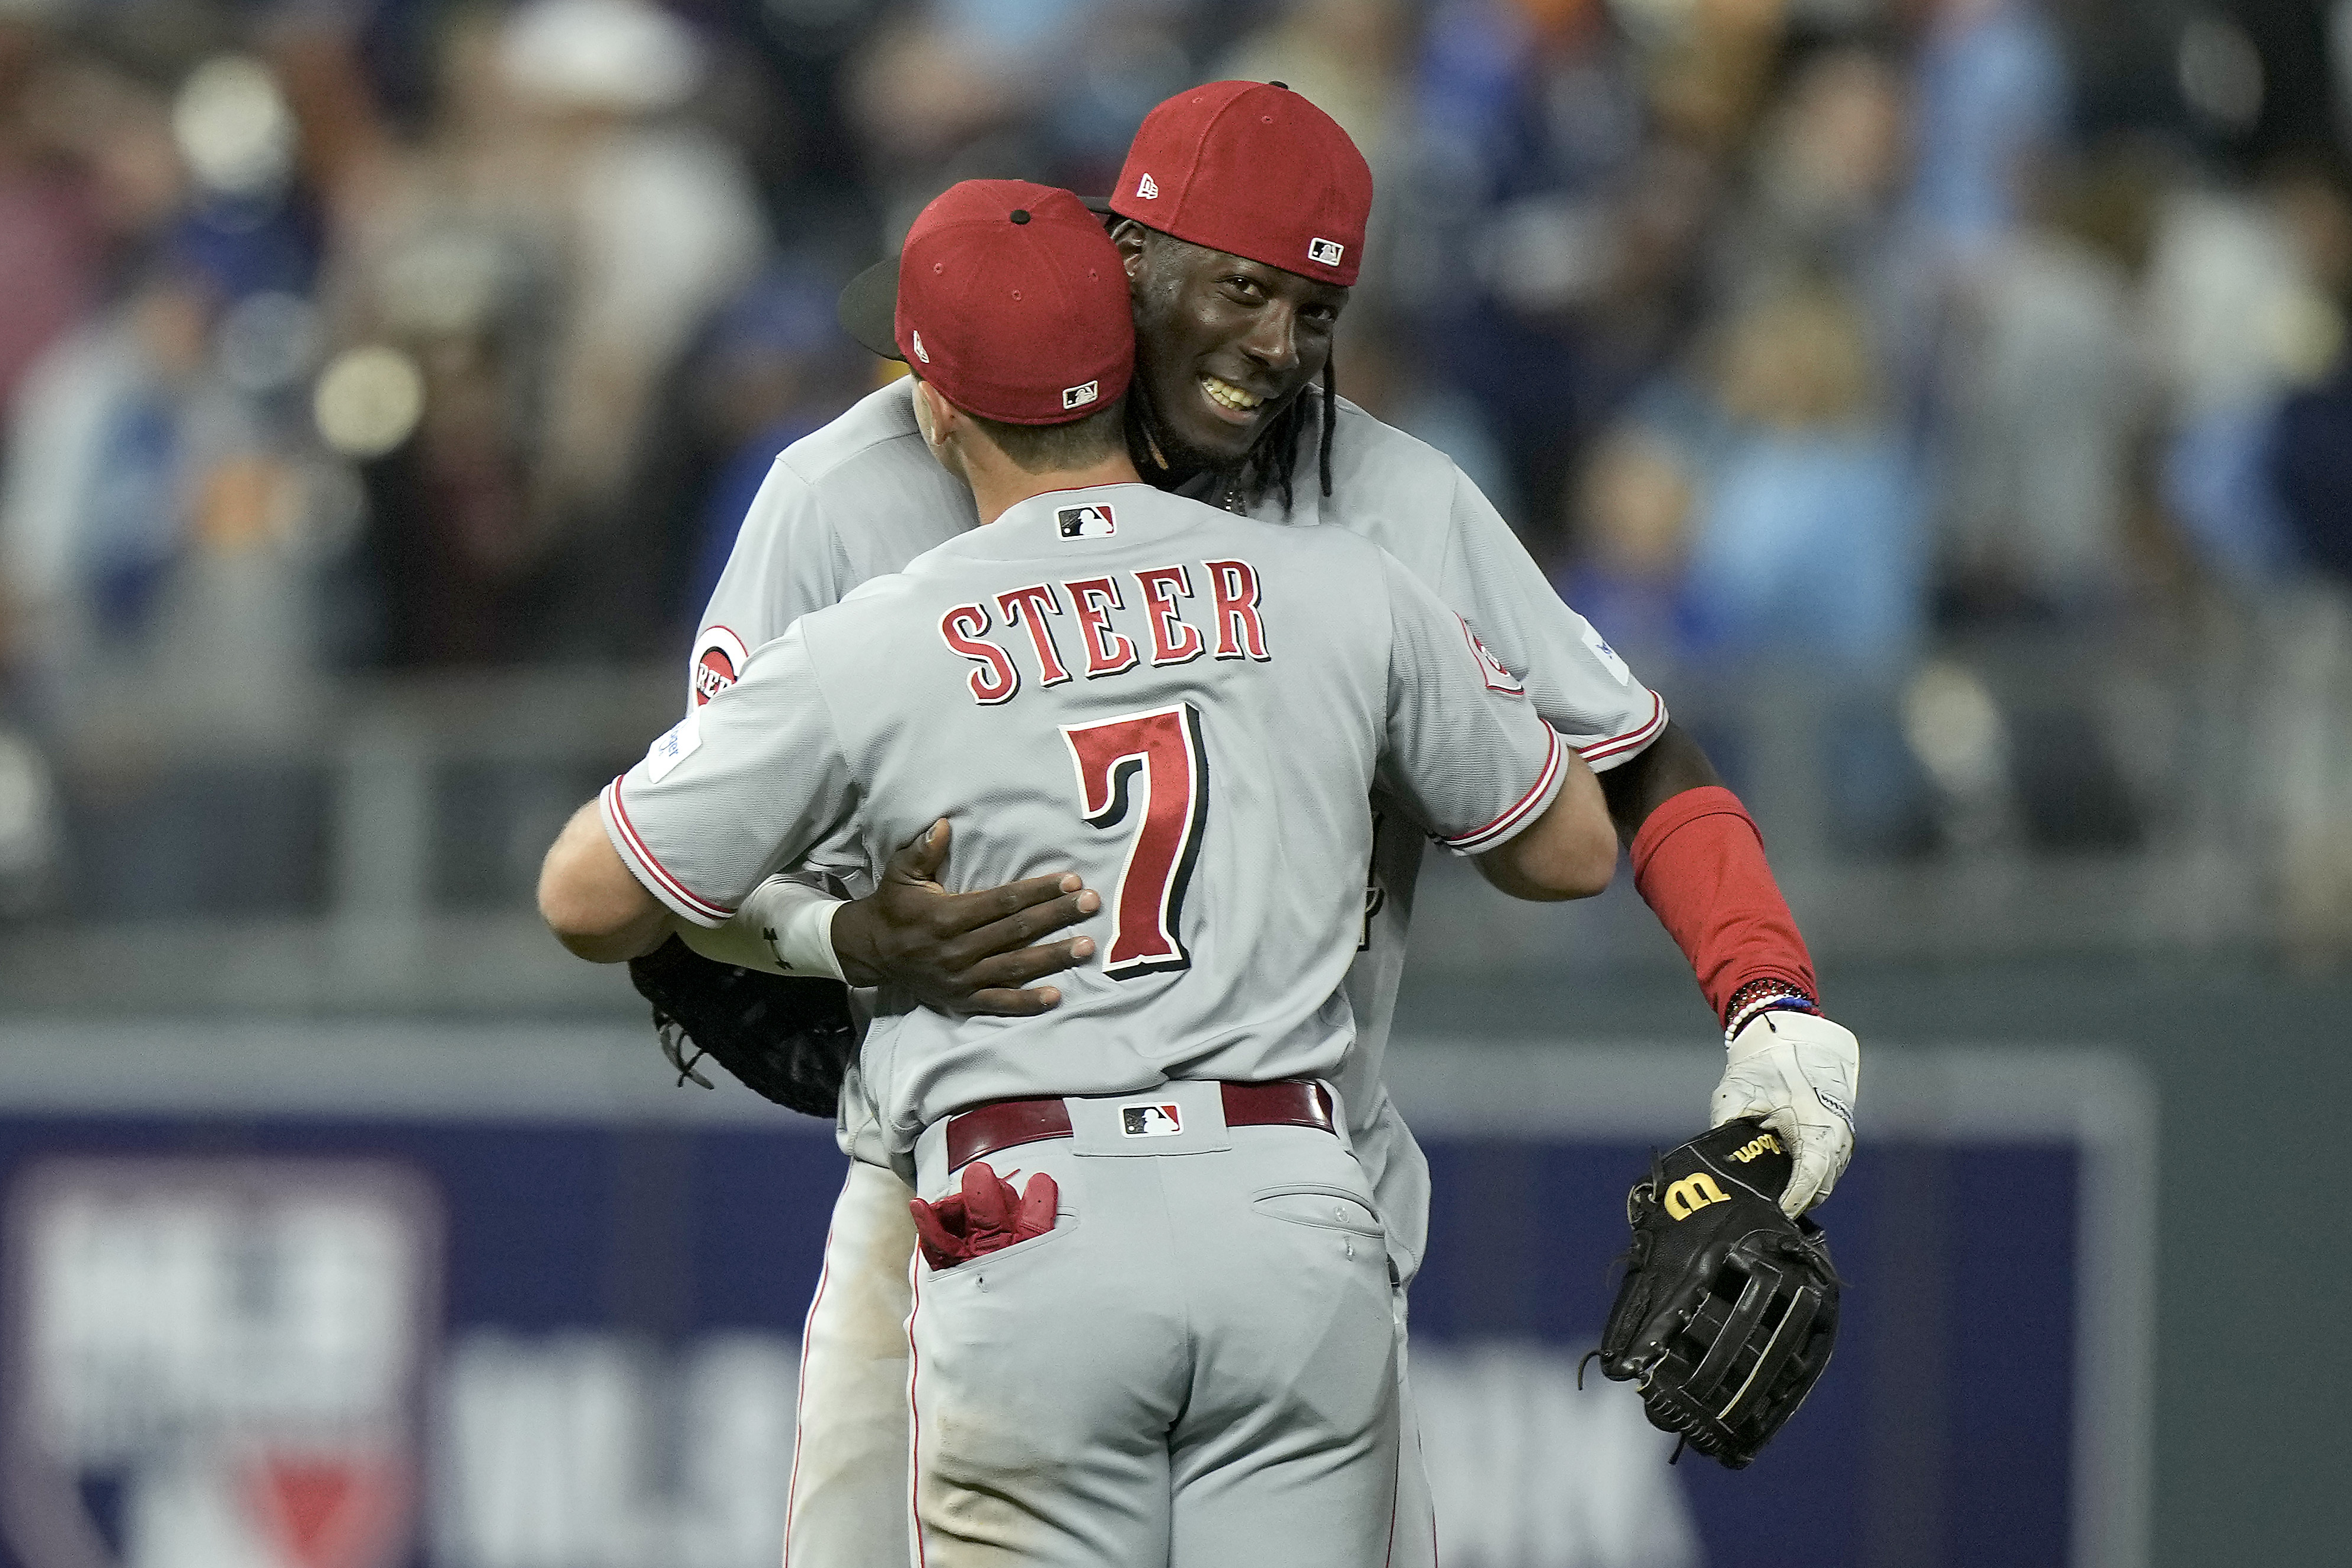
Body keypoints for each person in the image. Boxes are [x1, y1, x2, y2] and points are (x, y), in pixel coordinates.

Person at [671, 82, 1859, 1567]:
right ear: (1125, 254)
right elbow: (680, 856)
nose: (1273, 347)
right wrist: (812, 936)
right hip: (960, 1210)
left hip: (1300, 1197)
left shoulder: (1386, 502)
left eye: (1313, 308)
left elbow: (1627, 760)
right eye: (1240, 286)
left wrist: (1767, 999)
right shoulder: (863, 481)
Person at [538, 178, 1622, 1565]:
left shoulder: (884, 638)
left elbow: (586, 896)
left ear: (934, 406)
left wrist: (840, 941)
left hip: (1025, 1201)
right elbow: (1572, 847)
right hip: (1294, 1193)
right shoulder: (1340, 582)